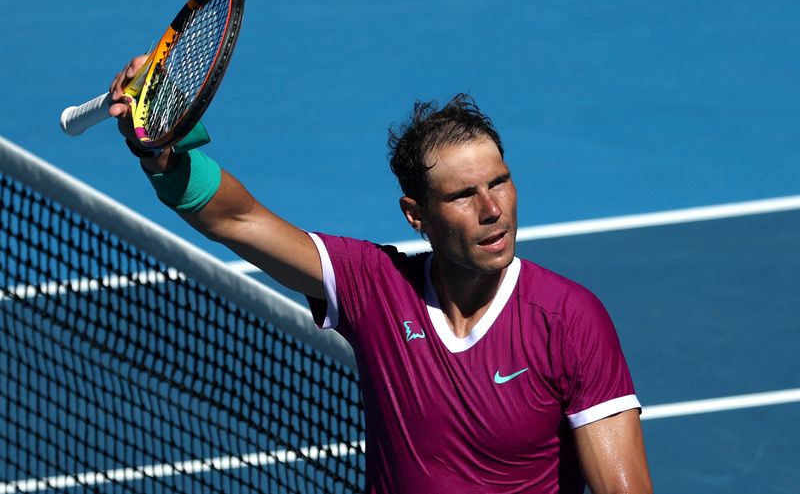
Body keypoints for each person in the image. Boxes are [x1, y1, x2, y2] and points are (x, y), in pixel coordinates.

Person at [110, 56, 653, 494]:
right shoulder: (376, 287)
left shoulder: (568, 321)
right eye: (464, 195)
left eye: (501, 182)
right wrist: (163, 148)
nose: (494, 210)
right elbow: (238, 219)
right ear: (416, 215)